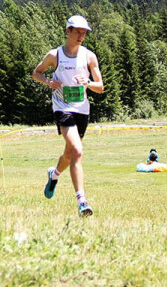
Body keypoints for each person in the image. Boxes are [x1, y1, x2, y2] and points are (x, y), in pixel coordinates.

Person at [32, 14, 104, 218]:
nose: (82, 36)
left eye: (85, 32)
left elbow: (100, 87)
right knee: (78, 151)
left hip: (82, 109)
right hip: (62, 108)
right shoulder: (54, 56)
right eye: (78, 32)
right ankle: (82, 201)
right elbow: (36, 73)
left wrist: (88, 83)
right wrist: (48, 82)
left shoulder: (89, 56)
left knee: (69, 155)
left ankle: (54, 175)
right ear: (68, 31)